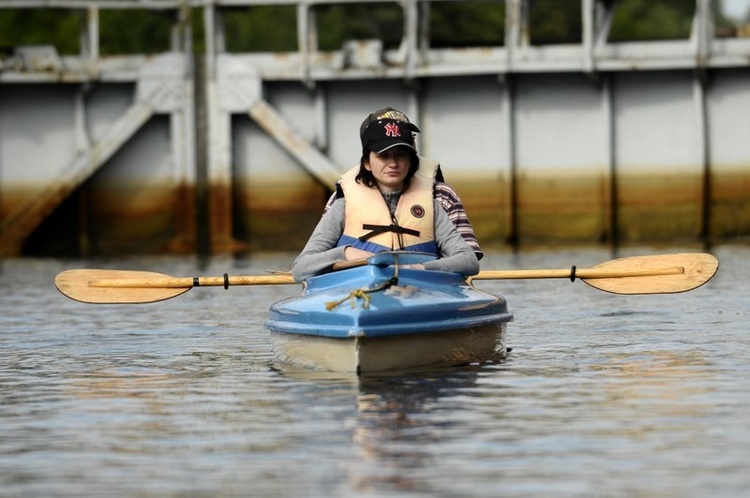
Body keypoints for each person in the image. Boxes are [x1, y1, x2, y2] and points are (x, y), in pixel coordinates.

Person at [292, 107, 480, 282]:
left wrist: (421, 267)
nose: (393, 163)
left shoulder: (437, 199)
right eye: (383, 155)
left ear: (411, 157)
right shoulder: (342, 203)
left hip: (423, 288)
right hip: (355, 289)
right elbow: (302, 267)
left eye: (401, 154)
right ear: (367, 161)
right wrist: (346, 253)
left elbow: (469, 261)